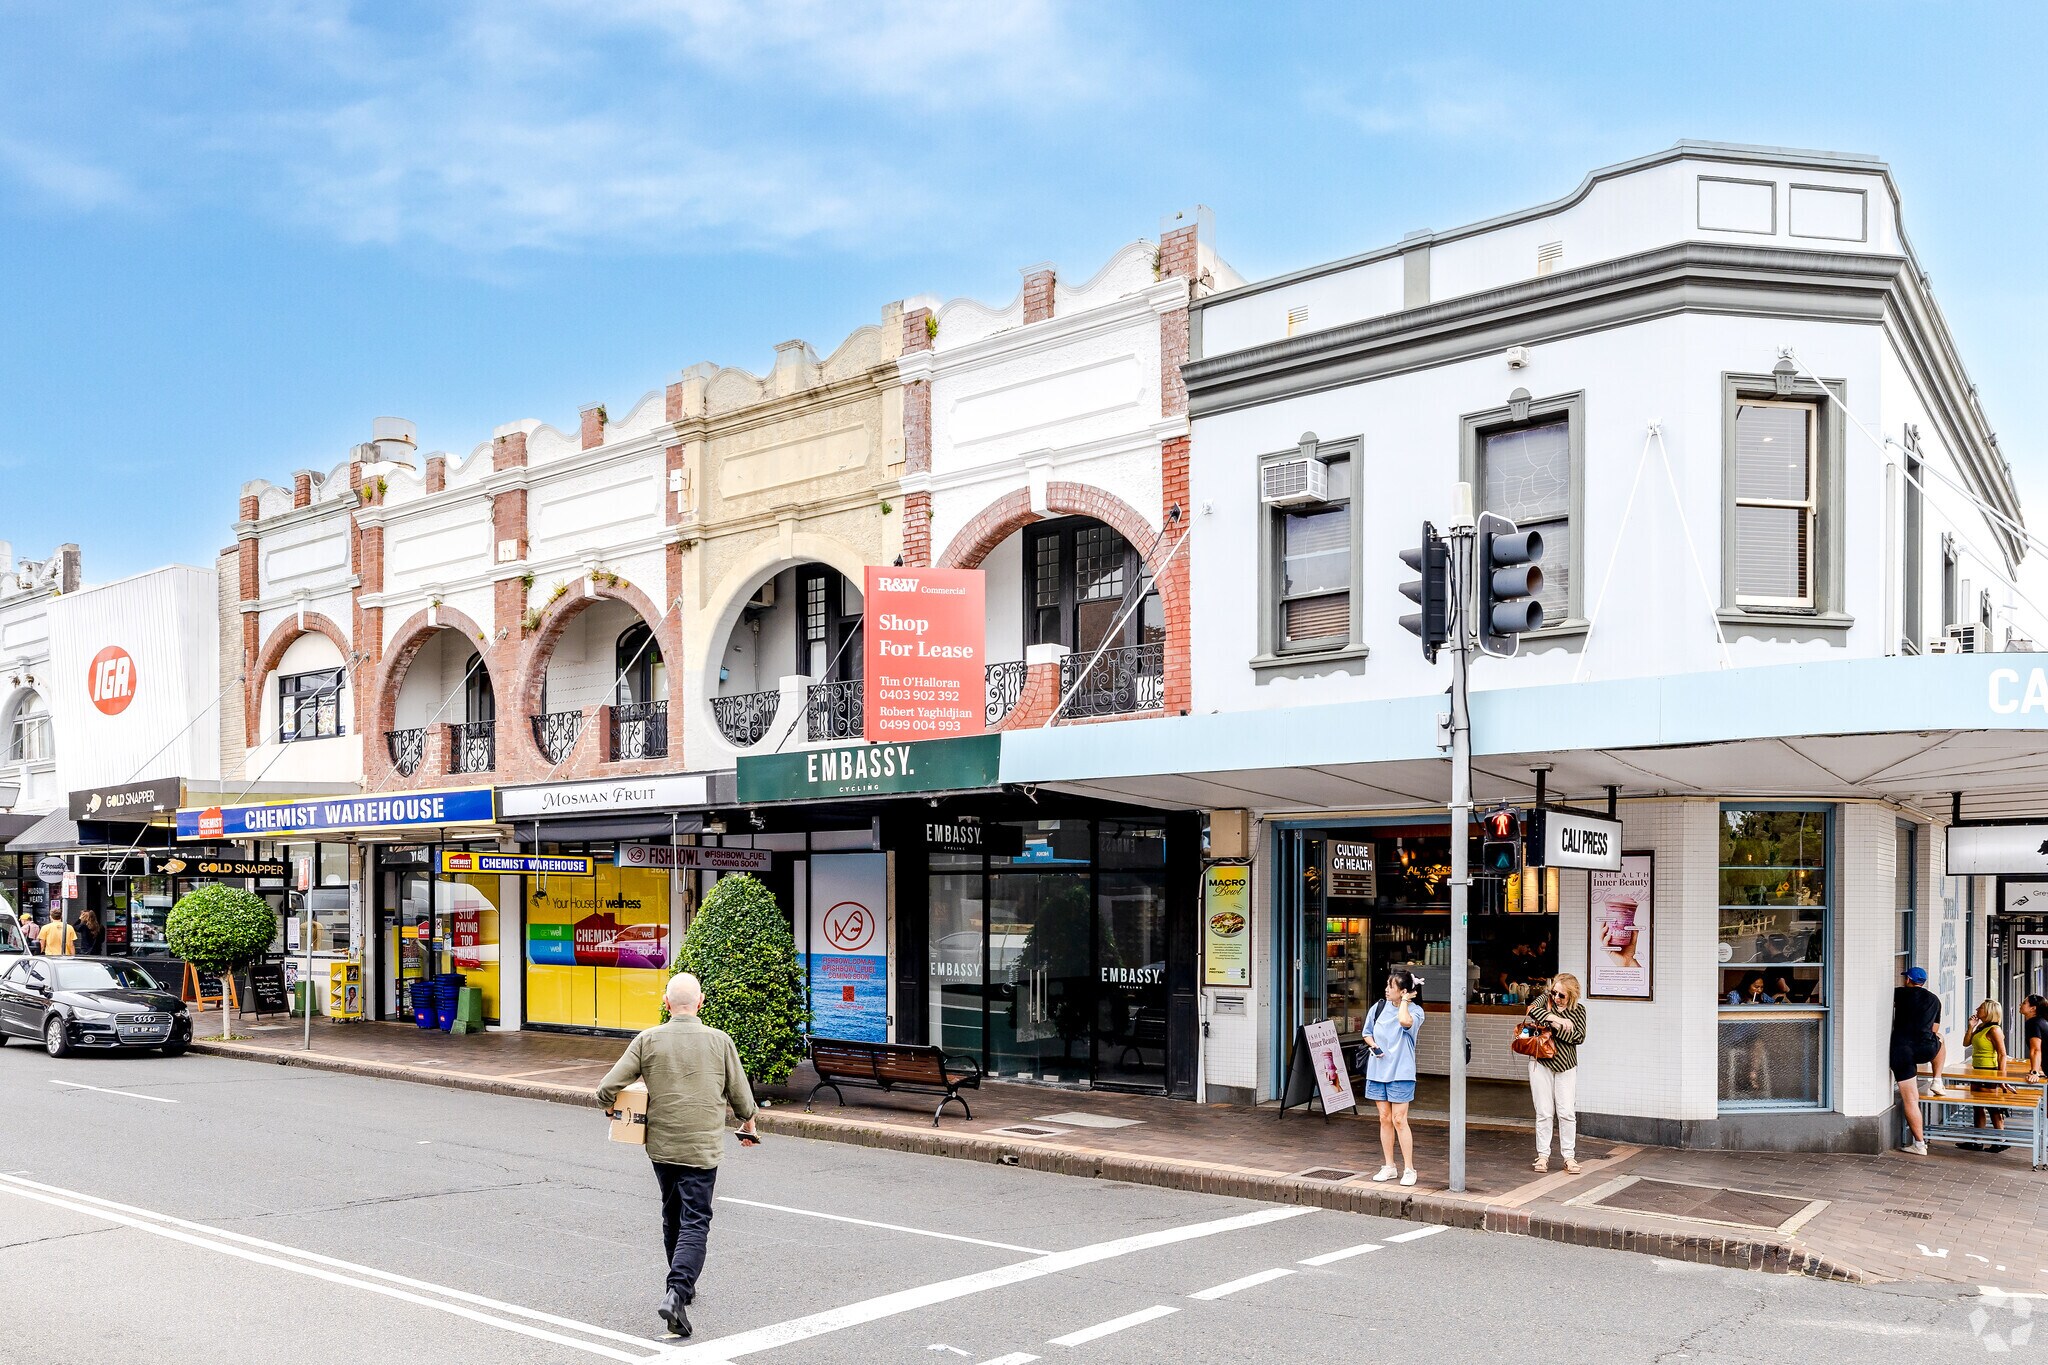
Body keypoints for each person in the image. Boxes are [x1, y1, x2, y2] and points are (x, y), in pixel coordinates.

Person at [595, 972, 759, 1340]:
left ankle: (681, 1284)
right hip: (701, 1148)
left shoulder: (648, 1039)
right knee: (695, 1219)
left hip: (662, 1146)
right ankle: (678, 1291)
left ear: (666, 1003)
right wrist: (748, 1124)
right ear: (700, 1002)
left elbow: (607, 1088)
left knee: (672, 1213)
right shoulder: (720, 1041)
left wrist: (610, 1108)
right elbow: (741, 1097)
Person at [1360, 969, 1424, 1187]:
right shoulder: (1378, 1007)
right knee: (1384, 1118)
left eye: (1391, 987)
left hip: (1401, 1072)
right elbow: (1367, 1032)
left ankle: (1409, 1169)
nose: (1386, 990)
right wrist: (1374, 1045)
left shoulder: (1415, 1011)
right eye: (1387, 986)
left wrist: (1404, 1001)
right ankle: (1389, 1166)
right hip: (1377, 1070)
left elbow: (1405, 1022)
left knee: (1399, 1120)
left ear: (1403, 991)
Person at [1525, 972, 1588, 1174]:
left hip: (1566, 1065)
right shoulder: (1546, 1000)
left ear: (1572, 995)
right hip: (1540, 1062)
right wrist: (1554, 1018)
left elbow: (1579, 1037)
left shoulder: (1579, 1010)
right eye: (1554, 992)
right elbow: (1531, 1010)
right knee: (1544, 1112)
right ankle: (1543, 1155)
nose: (1556, 997)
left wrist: (1555, 1027)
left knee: (1566, 1112)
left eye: (1562, 995)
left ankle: (1569, 1156)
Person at [1890, 965, 1947, 1156]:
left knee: (1911, 1099)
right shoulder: (1934, 1000)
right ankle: (1937, 1080)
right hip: (1925, 1048)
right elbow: (1934, 1030)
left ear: (1908, 980)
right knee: (1940, 1039)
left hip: (1901, 1050)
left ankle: (1920, 1145)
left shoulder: (1898, 994)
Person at [1961, 999, 2011, 1152]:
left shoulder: (1994, 1030)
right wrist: (1971, 1027)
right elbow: (1966, 1043)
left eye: (1981, 1007)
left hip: (1989, 1071)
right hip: (1977, 1070)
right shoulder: (1981, 1027)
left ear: (1989, 1011)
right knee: (1977, 1106)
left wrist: (2001, 1078)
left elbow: (2002, 1054)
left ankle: (2001, 1140)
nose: (1977, 1009)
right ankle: (1977, 1140)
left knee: (1992, 1107)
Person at [2022, 995, 2047, 1082]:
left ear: (2032, 1008)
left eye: (2024, 1003)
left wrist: (2034, 1072)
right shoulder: (2041, 1021)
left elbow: (2036, 1049)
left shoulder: (2033, 1023)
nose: (2020, 1005)